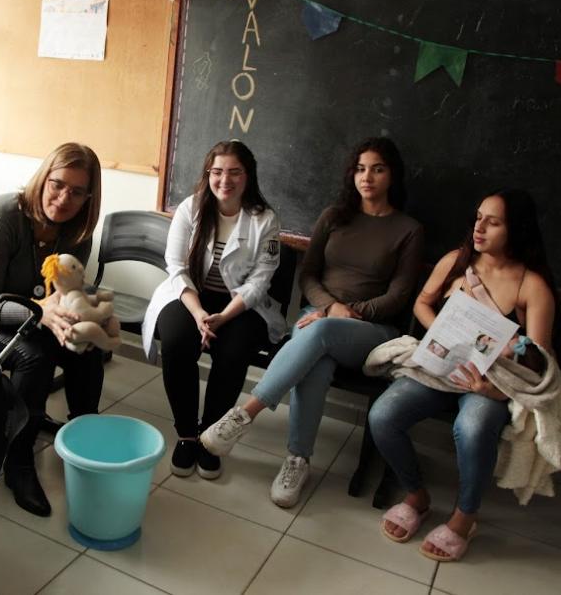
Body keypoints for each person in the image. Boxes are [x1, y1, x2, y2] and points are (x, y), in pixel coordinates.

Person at [201, 137, 424, 507]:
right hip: (318, 317)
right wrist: (328, 307)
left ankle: (243, 415)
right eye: (361, 168)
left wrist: (348, 312)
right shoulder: (334, 217)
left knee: (318, 332)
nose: (367, 177)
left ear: (393, 176)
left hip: (372, 331)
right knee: (316, 362)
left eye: (378, 169)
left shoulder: (408, 229)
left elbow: (399, 296)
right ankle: (297, 460)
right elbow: (309, 275)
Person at [369, 189, 555, 561]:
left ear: (515, 229)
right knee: (382, 416)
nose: (479, 227)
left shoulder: (531, 286)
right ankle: (417, 496)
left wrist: (494, 391)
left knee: (471, 427)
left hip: (491, 383)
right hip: (442, 368)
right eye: (478, 217)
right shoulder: (456, 261)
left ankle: (463, 518)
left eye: (493, 221)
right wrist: (441, 332)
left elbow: (537, 365)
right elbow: (423, 301)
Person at [0, 142, 103, 517]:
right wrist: (40, 313)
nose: (64, 199)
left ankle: (84, 438)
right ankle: (18, 465)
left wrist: (81, 316)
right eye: (58, 184)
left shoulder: (78, 230)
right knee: (34, 357)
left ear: (88, 198)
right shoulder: (0, 217)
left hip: (26, 310)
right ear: (43, 177)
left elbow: (64, 292)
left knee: (86, 344)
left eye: (77, 192)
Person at [142, 140, 284, 479]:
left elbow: (258, 283)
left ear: (248, 176)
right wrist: (198, 315)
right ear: (208, 174)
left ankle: (211, 438)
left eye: (235, 172)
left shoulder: (265, 220)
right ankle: (188, 434)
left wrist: (222, 318)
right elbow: (176, 267)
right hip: (190, 296)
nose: (225, 180)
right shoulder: (190, 208)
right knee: (177, 342)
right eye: (217, 171)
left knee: (234, 352)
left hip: (239, 305)